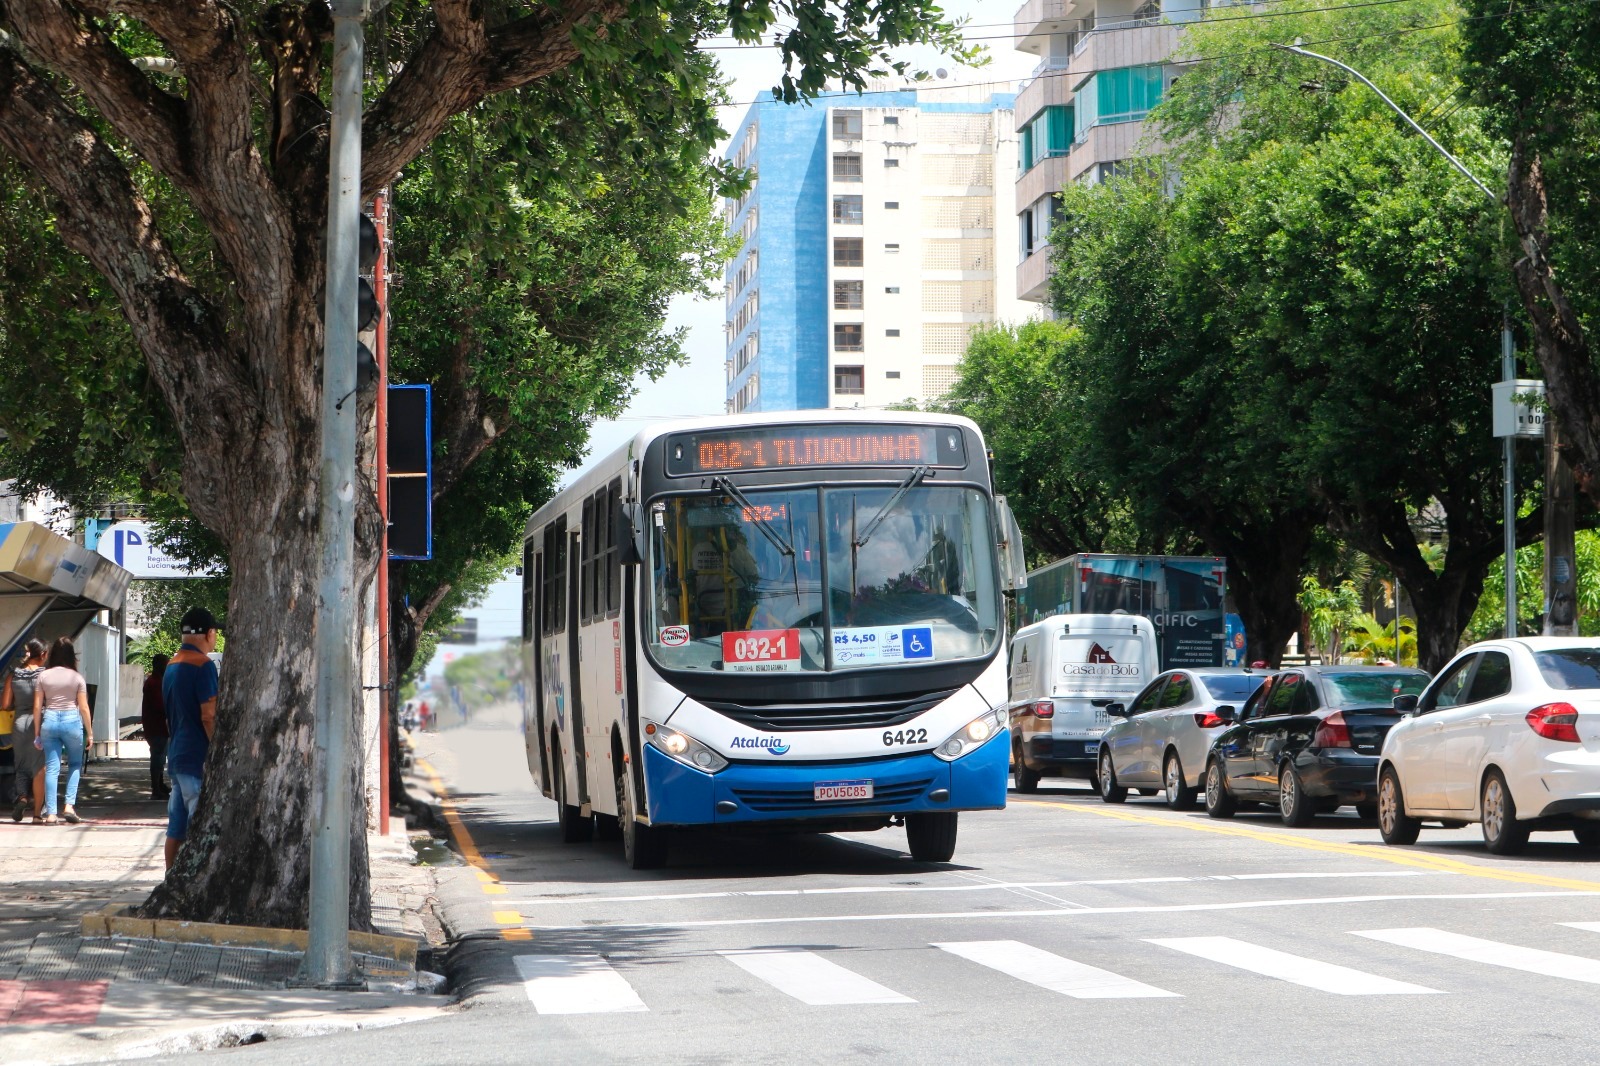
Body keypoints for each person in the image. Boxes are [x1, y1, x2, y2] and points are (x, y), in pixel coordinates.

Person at [163, 607, 220, 869]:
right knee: (198, 825)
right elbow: (208, 715)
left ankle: (170, 878)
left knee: (176, 826)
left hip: (175, 756)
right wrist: (217, 749)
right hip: (197, 757)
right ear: (209, 634)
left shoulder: (171, 666)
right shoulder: (204, 665)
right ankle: (196, 876)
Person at [34, 636, 93, 825]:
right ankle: (69, 806)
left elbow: (37, 707)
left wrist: (37, 732)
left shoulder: (43, 676)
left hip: (49, 719)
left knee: (52, 767)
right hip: (71, 721)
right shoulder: (77, 678)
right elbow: (84, 708)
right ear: (71, 655)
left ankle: (51, 814)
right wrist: (90, 733)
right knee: (75, 764)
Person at [7, 639, 46, 822]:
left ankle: (22, 796)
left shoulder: (13, 675)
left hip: (19, 724)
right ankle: (39, 811)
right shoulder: (45, 675)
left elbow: (5, 704)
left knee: (21, 765)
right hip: (40, 724)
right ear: (43, 654)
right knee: (39, 767)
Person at [141, 653, 171, 801]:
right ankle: (156, 787)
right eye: (166, 664)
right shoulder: (154, 683)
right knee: (157, 756)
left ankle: (159, 783)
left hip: (158, 726)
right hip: (156, 726)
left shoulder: (156, 681)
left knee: (160, 755)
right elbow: (160, 705)